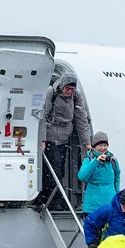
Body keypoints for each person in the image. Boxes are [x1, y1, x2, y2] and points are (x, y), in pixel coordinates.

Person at [40, 70, 92, 209]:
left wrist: (87, 142)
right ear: (62, 85)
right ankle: (56, 200)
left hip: (64, 137)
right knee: (54, 169)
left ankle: (49, 198)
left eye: (72, 89)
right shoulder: (51, 93)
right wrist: (42, 140)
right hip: (50, 135)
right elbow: (42, 117)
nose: (70, 92)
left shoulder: (76, 96)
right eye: (67, 88)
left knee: (60, 170)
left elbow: (81, 118)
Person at [77, 130, 121, 213]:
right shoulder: (88, 160)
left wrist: (117, 195)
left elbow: (117, 176)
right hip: (92, 206)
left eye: (105, 145)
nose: (103, 148)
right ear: (94, 146)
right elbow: (82, 176)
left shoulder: (112, 160)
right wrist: (95, 162)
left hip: (109, 203)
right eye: (100, 145)